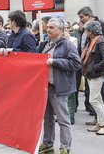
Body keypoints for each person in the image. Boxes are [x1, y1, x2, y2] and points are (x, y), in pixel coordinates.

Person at [38, 18, 81, 154]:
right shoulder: (44, 44)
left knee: (63, 119)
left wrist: (55, 61)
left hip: (59, 88)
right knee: (47, 119)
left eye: (52, 27)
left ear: (61, 30)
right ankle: (48, 144)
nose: (48, 30)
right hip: (46, 88)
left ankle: (65, 147)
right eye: (48, 27)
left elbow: (76, 64)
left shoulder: (68, 45)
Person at [77, 6, 104, 124]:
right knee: (96, 97)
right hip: (89, 68)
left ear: (89, 16)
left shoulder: (99, 33)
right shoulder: (89, 34)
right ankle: (99, 120)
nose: (80, 20)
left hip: (97, 69)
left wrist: (96, 67)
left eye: (82, 17)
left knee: (96, 97)